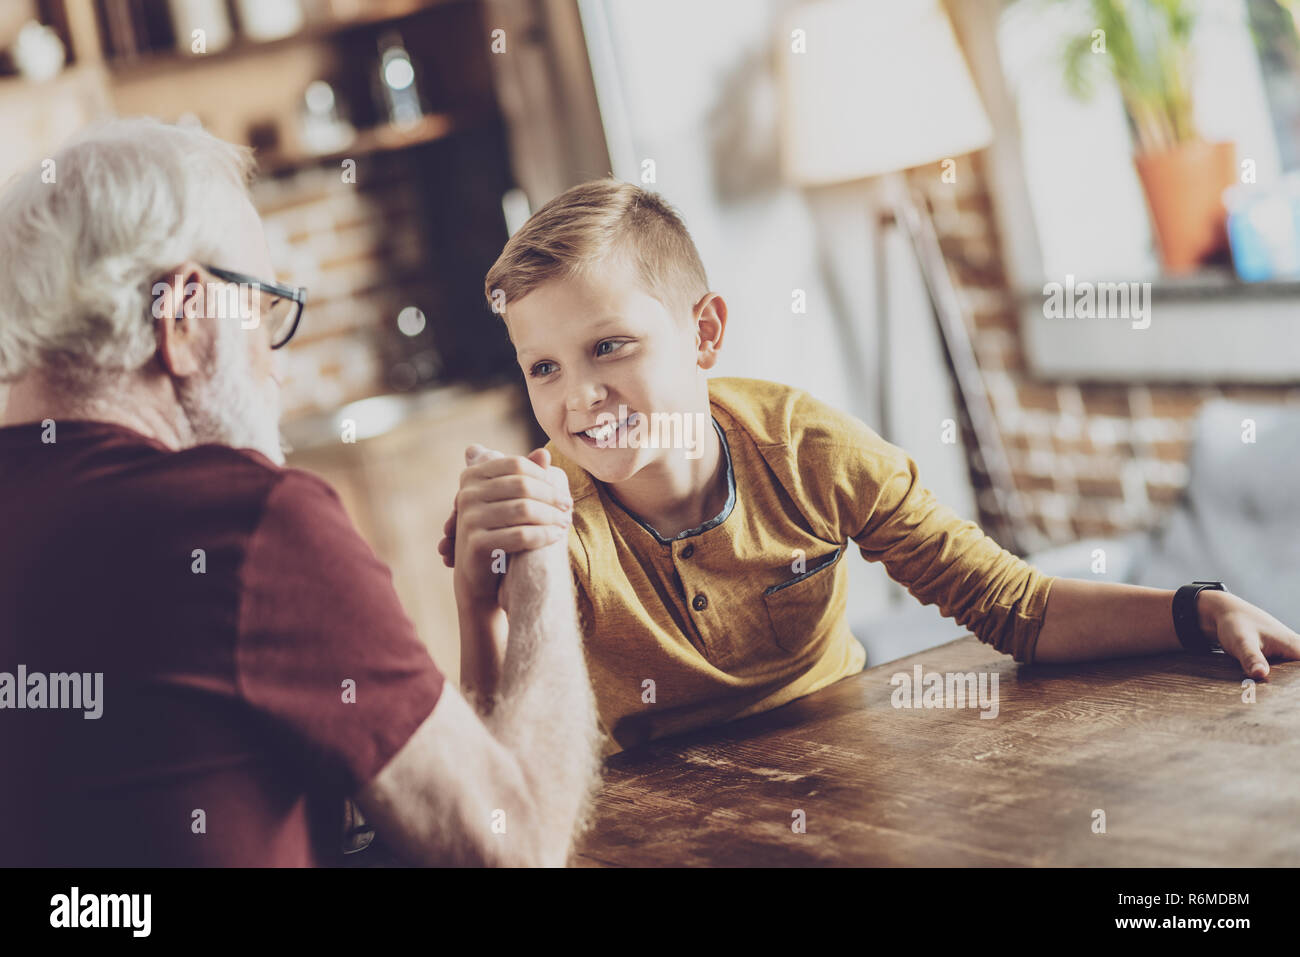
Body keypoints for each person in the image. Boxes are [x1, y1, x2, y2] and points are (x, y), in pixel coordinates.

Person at [440, 178, 1300, 755]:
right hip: (656, 819)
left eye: (609, 346)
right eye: (543, 367)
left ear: (704, 333)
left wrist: (1196, 608)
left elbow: (1013, 606)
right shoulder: (546, 514)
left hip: (849, 772)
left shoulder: (806, 450)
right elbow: (507, 765)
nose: (580, 397)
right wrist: (478, 602)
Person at [0, 117, 602, 866]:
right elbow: (517, 844)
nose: (275, 369)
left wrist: (480, 621)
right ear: (184, 315)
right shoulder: (243, 521)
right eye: (259, 309)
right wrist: (543, 558)